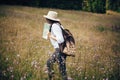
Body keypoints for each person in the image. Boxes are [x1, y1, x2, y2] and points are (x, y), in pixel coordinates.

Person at [43, 11, 68, 80]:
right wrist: (49, 36)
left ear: (49, 19)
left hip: (60, 50)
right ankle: (52, 78)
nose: (46, 19)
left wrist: (51, 36)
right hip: (60, 50)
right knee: (49, 63)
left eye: (47, 18)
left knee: (62, 71)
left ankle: (52, 78)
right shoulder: (57, 25)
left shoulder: (55, 26)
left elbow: (61, 40)